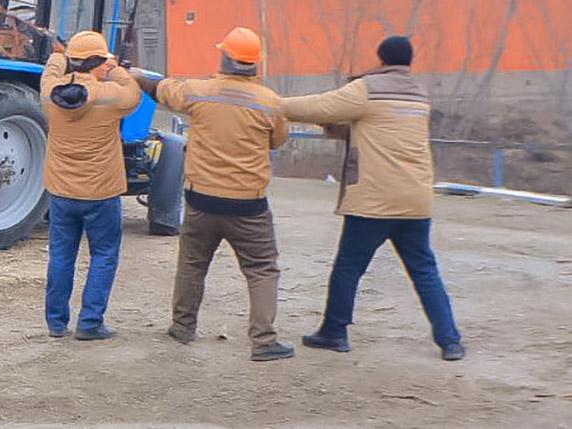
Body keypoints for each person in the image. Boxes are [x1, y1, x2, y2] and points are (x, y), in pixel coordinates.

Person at [282, 35, 465, 361]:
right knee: (425, 271)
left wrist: (271, 104)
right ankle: (450, 341)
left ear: (381, 58)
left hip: (374, 201)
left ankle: (334, 332)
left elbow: (319, 106)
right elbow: (377, 130)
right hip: (415, 200)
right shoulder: (420, 95)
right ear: (409, 61)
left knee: (348, 267)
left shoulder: (367, 89)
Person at [136, 27, 294, 362]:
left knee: (192, 265)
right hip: (249, 205)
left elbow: (162, 90)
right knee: (262, 269)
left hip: (201, 200)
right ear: (255, 64)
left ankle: (182, 327)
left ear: (224, 57)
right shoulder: (270, 103)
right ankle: (264, 341)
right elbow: (278, 141)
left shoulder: (199, 92)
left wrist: (135, 76)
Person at [41, 30, 141, 341]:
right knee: (104, 254)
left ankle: (56, 323)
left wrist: (59, 55)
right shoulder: (109, 96)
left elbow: (51, 72)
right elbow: (134, 93)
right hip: (101, 193)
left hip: (61, 192)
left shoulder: (50, 94)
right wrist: (115, 68)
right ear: (99, 62)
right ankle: (90, 323)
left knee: (61, 256)